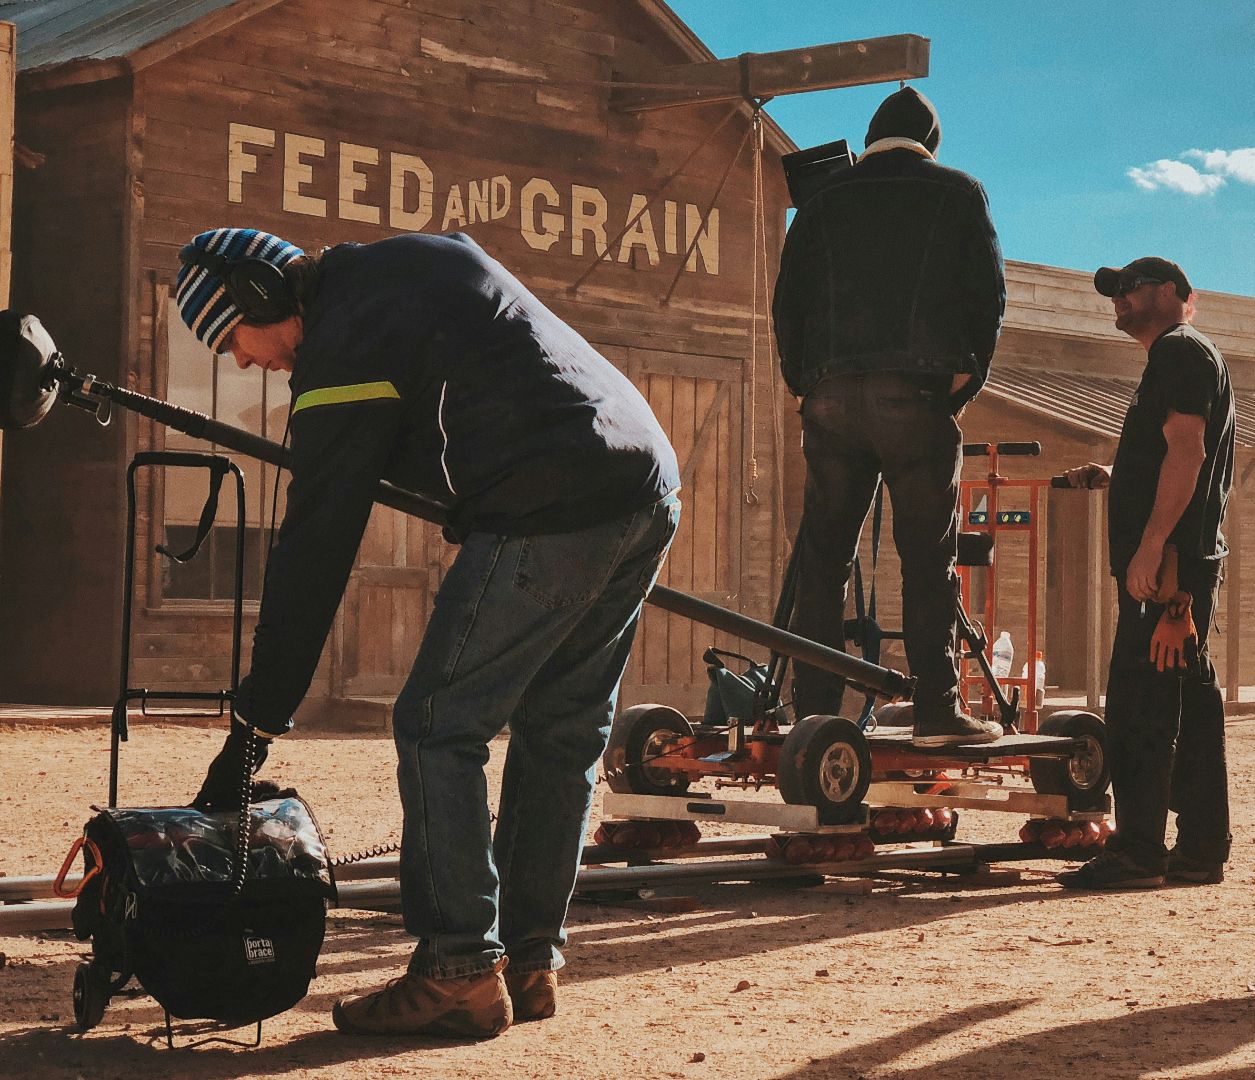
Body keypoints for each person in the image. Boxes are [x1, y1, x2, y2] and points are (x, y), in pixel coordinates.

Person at [177, 227, 681, 1037]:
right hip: (645, 479)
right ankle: (528, 957)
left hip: (550, 499)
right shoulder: (408, 268)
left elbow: (315, 548)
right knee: (561, 732)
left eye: (230, 338)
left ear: (260, 296)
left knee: (437, 725)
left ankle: (457, 969)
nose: (241, 361)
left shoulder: (344, 344)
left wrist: (254, 726)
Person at [772, 86, 1006, 747]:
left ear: (870, 135)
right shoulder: (959, 192)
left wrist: (806, 383)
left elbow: (787, 305)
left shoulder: (822, 202)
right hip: (916, 398)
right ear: (930, 141)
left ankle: (814, 709)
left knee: (824, 559)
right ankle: (935, 709)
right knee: (926, 560)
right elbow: (986, 298)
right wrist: (957, 388)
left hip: (830, 398)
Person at [1056, 257, 1236, 890]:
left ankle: (1137, 851)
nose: (1120, 301)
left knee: (1140, 705)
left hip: (1171, 569)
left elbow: (1189, 454)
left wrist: (1153, 549)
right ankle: (1201, 847)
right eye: (1115, 293)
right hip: (1177, 563)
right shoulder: (1182, 357)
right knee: (1189, 701)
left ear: (1171, 292)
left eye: (1130, 289)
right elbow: (1171, 456)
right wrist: (1119, 476)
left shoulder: (1181, 353)